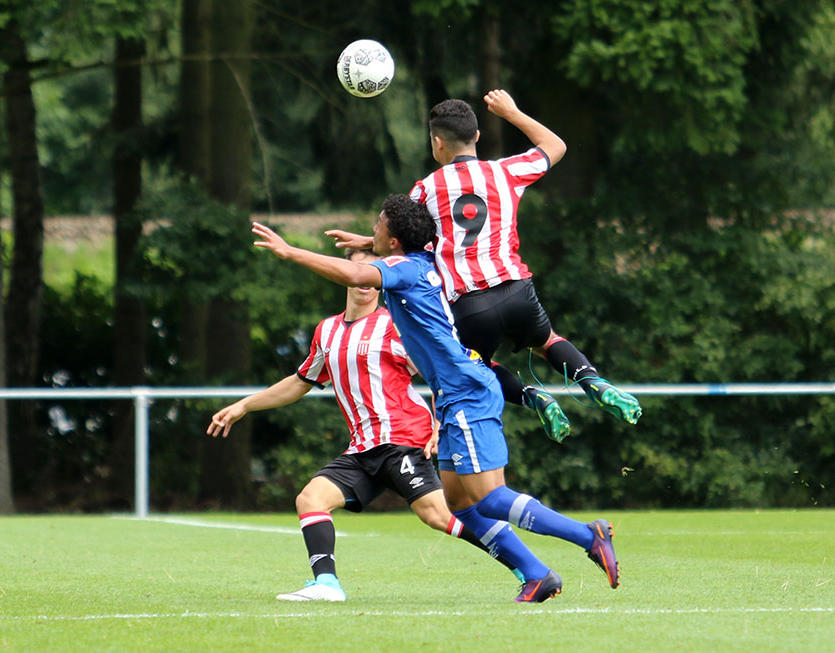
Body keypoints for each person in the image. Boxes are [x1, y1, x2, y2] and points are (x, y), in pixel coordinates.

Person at [251, 195, 620, 603]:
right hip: (455, 393)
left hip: (465, 392)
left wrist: (290, 252)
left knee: (491, 497)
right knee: (459, 506)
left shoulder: (401, 270)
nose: (373, 228)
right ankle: (535, 574)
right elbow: (410, 247)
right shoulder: (429, 260)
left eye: (378, 224)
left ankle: (587, 535)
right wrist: (369, 240)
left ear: (394, 242)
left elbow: (351, 272)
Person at [207, 248, 523, 603]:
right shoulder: (326, 331)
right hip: (362, 449)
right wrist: (244, 406)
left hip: (403, 439)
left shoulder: (395, 325)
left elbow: (443, 370)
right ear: (347, 275)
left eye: (373, 273)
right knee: (310, 499)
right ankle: (327, 584)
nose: (365, 280)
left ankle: (525, 565)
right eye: (359, 269)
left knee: (438, 515)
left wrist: (440, 423)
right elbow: (300, 381)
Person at [326, 90, 641, 443]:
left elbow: (406, 238)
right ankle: (591, 380)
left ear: (436, 143)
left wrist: (369, 243)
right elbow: (555, 145)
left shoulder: (425, 190)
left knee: (474, 362)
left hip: (469, 306)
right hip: (517, 290)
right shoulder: (505, 172)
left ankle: (531, 397)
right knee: (546, 340)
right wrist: (512, 112)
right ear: (477, 136)